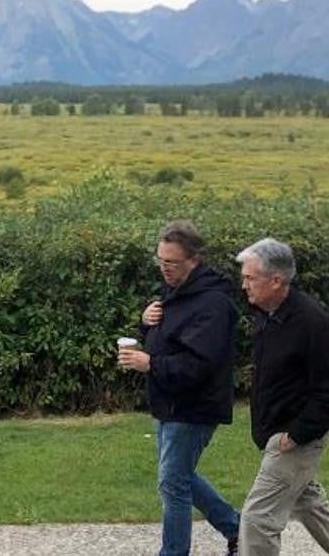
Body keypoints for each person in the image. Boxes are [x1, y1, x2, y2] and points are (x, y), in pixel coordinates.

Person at [234, 238, 329, 556]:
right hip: (275, 434)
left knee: (257, 520)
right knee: (311, 507)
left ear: (276, 280)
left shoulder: (313, 323)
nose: (244, 286)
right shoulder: (268, 313)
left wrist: (296, 435)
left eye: (250, 278)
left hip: (294, 440)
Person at [118, 220, 240, 556]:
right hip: (168, 403)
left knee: (172, 483)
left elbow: (199, 364)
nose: (164, 269)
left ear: (194, 260)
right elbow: (167, 340)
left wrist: (150, 364)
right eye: (160, 260)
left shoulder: (212, 303)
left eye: (171, 262)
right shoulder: (179, 292)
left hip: (194, 406)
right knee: (179, 478)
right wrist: (146, 324)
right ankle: (239, 530)